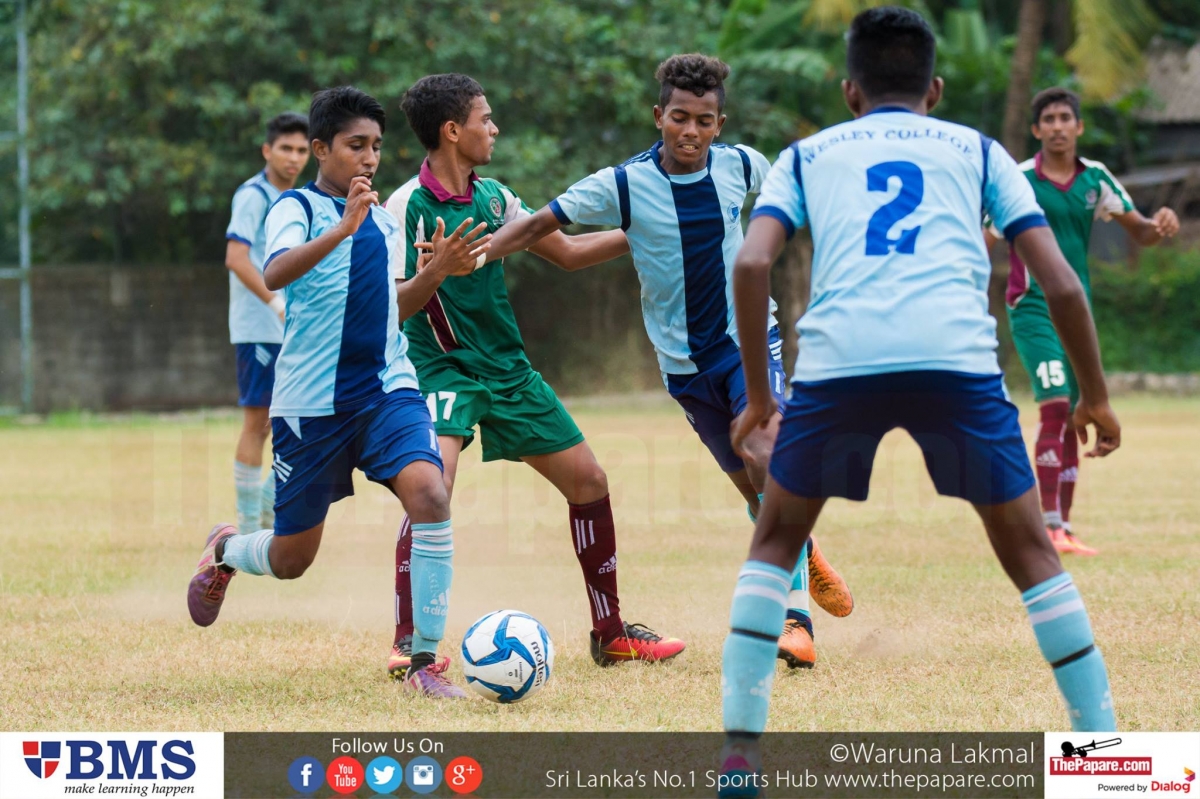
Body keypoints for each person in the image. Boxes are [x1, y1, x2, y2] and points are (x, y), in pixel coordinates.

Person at [718, 7, 1122, 789]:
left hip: (840, 362)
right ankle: (1102, 757)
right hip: (954, 360)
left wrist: (761, 398)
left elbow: (751, 264)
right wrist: (1096, 397)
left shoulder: (805, 155)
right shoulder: (980, 151)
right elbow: (1064, 285)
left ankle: (739, 761)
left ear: (850, 91)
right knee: (1032, 553)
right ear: (934, 89)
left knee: (776, 541)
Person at [482, 54, 853, 671]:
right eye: (679, 117)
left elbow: (802, 197)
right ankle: (804, 551)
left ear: (719, 124)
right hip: (684, 369)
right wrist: (473, 258)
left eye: (704, 121)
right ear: (658, 116)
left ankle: (795, 622)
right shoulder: (622, 185)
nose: (691, 131)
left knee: (766, 453)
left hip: (747, 344)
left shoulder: (741, 165)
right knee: (754, 487)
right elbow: (538, 226)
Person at [188, 86, 491, 700]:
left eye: (376, 147)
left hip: (386, 391)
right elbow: (273, 271)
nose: (369, 159)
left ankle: (424, 663)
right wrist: (342, 228)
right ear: (322, 149)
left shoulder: (383, 221)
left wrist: (435, 272)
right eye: (356, 146)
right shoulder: (295, 208)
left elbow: (392, 309)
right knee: (292, 559)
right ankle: (227, 550)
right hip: (310, 407)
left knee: (431, 494)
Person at [384, 73, 685, 676]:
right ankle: (408, 641)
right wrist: (436, 271)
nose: (494, 129)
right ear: (453, 130)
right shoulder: (404, 207)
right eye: (485, 119)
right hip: (439, 371)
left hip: (508, 371)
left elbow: (567, 253)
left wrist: (650, 229)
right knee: (432, 490)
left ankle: (610, 634)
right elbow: (390, 308)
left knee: (589, 481)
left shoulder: (497, 198)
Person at [984, 87, 1180, 556]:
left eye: (1064, 118)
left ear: (1079, 127)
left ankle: (1064, 527)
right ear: (1036, 130)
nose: (1057, 126)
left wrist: (1160, 225)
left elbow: (1141, 231)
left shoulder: (1095, 178)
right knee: (1054, 402)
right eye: (1048, 119)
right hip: (1031, 306)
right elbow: (983, 242)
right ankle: (1048, 527)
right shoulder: (1018, 180)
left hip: (1076, 313)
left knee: (1076, 413)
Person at [224, 112, 310, 537]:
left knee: (298, 420)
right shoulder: (253, 195)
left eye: (301, 150)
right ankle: (247, 526)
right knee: (258, 423)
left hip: (292, 328)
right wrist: (276, 303)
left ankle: (266, 508)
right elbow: (236, 258)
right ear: (267, 151)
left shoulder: (298, 199)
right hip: (259, 328)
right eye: (286, 148)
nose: (294, 158)